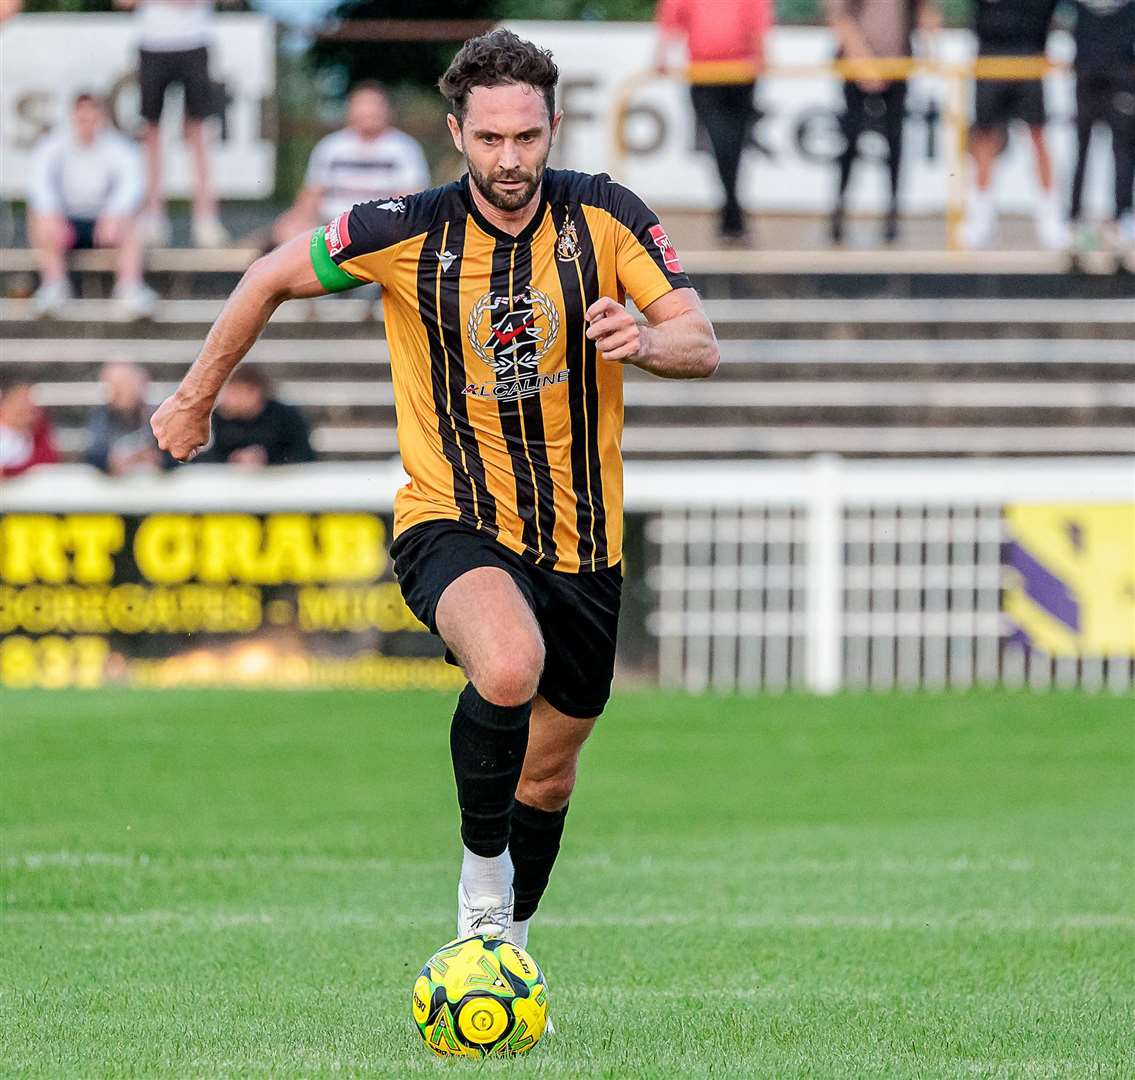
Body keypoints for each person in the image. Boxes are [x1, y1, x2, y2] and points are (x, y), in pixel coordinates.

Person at [151, 28, 719, 990]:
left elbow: (698, 340)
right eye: (490, 138)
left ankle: (507, 947)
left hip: (584, 542)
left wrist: (645, 341)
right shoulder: (405, 227)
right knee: (507, 665)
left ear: (553, 127)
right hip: (448, 515)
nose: (510, 159)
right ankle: (479, 899)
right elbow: (267, 277)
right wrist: (194, 396)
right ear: (457, 132)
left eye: (527, 138)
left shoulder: (607, 215)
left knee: (549, 773)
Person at [27, 93, 156, 319]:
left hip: (106, 223)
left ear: (101, 118)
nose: (87, 124)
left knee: (133, 220)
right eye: (81, 118)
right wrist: (54, 215)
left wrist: (114, 215)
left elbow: (132, 186)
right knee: (40, 218)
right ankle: (54, 285)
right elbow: (40, 186)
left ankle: (130, 287)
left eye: (92, 118)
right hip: (66, 221)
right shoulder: (53, 146)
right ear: (73, 118)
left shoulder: (119, 148)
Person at [654, 0, 773, 243]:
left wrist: (762, 55)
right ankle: (733, 215)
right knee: (722, 144)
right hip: (705, 73)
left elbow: (758, 20)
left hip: (740, 73)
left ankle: (731, 215)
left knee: (734, 146)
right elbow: (672, 18)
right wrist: (662, 54)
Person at [114, 0, 229, 248]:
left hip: (194, 42)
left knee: (198, 133)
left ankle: (205, 218)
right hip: (153, 45)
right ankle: (153, 216)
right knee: (151, 134)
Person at [824, 0, 940, 245]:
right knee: (850, 138)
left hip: (897, 65)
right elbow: (840, 17)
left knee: (894, 140)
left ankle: (892, 212)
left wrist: (931, 46)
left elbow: (924, 12)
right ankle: (839, 209)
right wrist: (863, 61)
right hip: (856, 66)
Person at [271, 81, 430, 247]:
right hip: (330, 227)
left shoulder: (404, 148)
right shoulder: (331, 146)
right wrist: (298, 219)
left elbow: (409, 200)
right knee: (287, 229)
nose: (368, 111)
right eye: (363, 104)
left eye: (374, 105)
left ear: (386, 110)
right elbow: (312, 194)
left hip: (382, 228)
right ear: (350, 109)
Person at [962, 0, 1067, 249]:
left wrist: (1040, 44)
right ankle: (981, 219)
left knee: (1038, 136)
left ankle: (1050, 218)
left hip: (1028, 57)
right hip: (990, 57)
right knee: (985, 138)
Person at [1068, 0, 1135, 253]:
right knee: (1082, 149)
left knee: (1123, 148)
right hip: (1088, 75)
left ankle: (1123, 217)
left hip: (1120, 76)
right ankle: (1075, 218)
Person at [194, 366, 315, 467]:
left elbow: (303, 454)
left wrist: (267, 458)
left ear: (254, 392)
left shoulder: (286, 417)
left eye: (235, 392)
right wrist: (233, 460)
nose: (227, 398)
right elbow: (209, 456)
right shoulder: (219, 418)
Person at [85, 361, 163, 475]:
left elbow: (177, 454)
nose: (119, 391)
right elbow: (93, 455)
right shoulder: (101, 415)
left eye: (125, 384)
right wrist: (111, 461)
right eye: (114, 385)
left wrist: (157, 458)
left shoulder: (157, 414)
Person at [0, 372, 59, 479]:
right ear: (5, 402)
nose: (27, 406)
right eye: (20, 400)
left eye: (30, 400)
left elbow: (47, 465)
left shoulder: (40, 436)